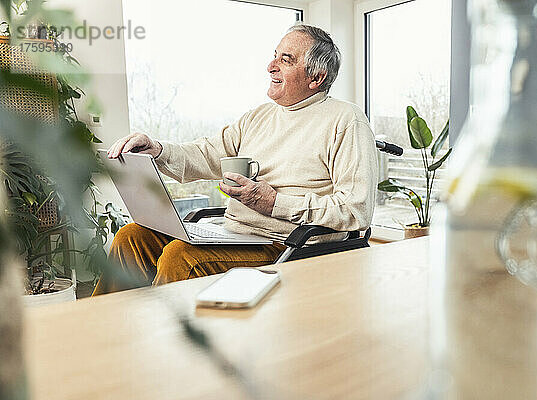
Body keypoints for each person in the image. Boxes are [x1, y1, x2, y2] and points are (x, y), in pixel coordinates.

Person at [92, 24, 377, 295]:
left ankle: (170, 344)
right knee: (132, 237)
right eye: (274, 56)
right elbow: (207, 154)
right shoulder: (259, 116)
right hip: (235, 235)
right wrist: (157, 149)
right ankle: (102, 330)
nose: (270, 66)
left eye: (285, 60)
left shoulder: (345, 120)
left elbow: (355, 209)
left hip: (287, 246)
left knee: (181, 258)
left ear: (316, 77)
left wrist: (275, 203)